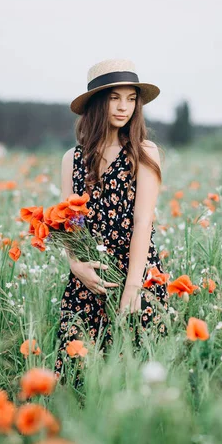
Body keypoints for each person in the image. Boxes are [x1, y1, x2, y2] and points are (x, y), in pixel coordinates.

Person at [54, 59, 169, 383]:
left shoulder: (144, 152)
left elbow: (143, 222)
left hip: (135, 276)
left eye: (131, 98)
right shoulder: (72, 159)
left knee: (134, 378)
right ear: (97, 103)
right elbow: (68, 223)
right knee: (78, 378)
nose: (124, 107)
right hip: (88, 280)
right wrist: (76, 266)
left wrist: (132, 287)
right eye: (114, 98)